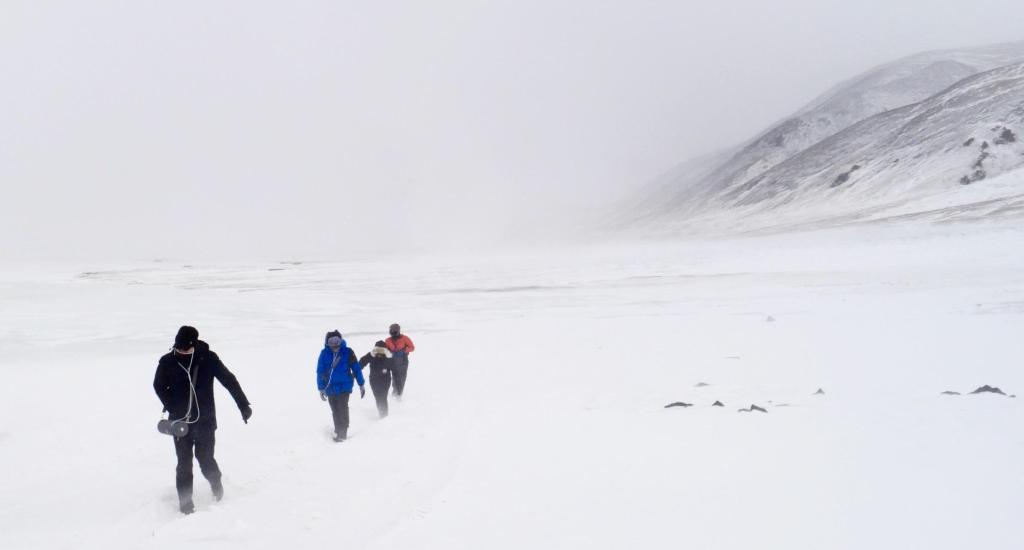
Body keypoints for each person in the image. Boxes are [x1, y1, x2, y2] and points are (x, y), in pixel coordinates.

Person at [153, 326, 252, 515]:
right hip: (180, 423)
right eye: (178, 347)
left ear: (194, 344)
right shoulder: (168, 361)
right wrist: (173, 405)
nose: (181, 351)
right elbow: (158, 385)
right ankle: (185, 504)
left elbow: (229, 380)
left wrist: (243, 404)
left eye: (185, 348)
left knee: (205, 459)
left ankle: (216, 485)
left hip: (205, 420)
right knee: (184, 463)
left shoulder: (207, 358)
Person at [317, 330, 365, 442]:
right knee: (335, 410)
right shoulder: (324, 353)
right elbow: (320, 371)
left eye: (337, 341)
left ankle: (343, 433)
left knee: (342, 408)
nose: (334, 344)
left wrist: (361, 384)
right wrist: (321, 388)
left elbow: (356, 368)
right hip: (330, 387)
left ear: (341, 340)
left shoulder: (348, 352)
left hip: (345, 386)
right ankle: (338, 430)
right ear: (327, 342)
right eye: (331, 341)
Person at [359, 341, 394, 418]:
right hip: (374, 380)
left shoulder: (389, 357)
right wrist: (355, 372)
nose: (379, 352)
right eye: (377, 349)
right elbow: (362, 362)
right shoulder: (371, 355)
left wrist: (389, 358)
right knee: (378, 397)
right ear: (375, 349)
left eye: (382, 350)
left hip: (385, 380)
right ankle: (381, 412)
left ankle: (384, 415)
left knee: (383, 397)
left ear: (385, 350)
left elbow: (395, 368)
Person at [384, 323, 415, 398]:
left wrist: (404, 350)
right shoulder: (388, 340)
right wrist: (389, 352)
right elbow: (385, 350)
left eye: (395, 332)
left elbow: (412, 347)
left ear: (398, 331)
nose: (393, 334)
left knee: (402, 378)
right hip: (393, 362)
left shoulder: (405, 338)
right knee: (394, 378)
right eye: (391, 332)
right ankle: (395, 393)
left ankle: (399, 394)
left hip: (403, 361)